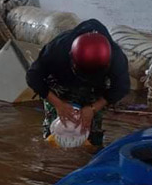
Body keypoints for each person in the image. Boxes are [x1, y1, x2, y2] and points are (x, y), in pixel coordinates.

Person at [26, 19, 130, 148]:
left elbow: (121, 87)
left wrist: (93, 108)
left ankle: (90, 160)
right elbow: (33, 76)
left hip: (94, 90)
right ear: (71, 57)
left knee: (91, 138)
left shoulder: (116, 57)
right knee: (55, 135)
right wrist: (58, 104)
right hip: (60, 85)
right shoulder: (58, 49)